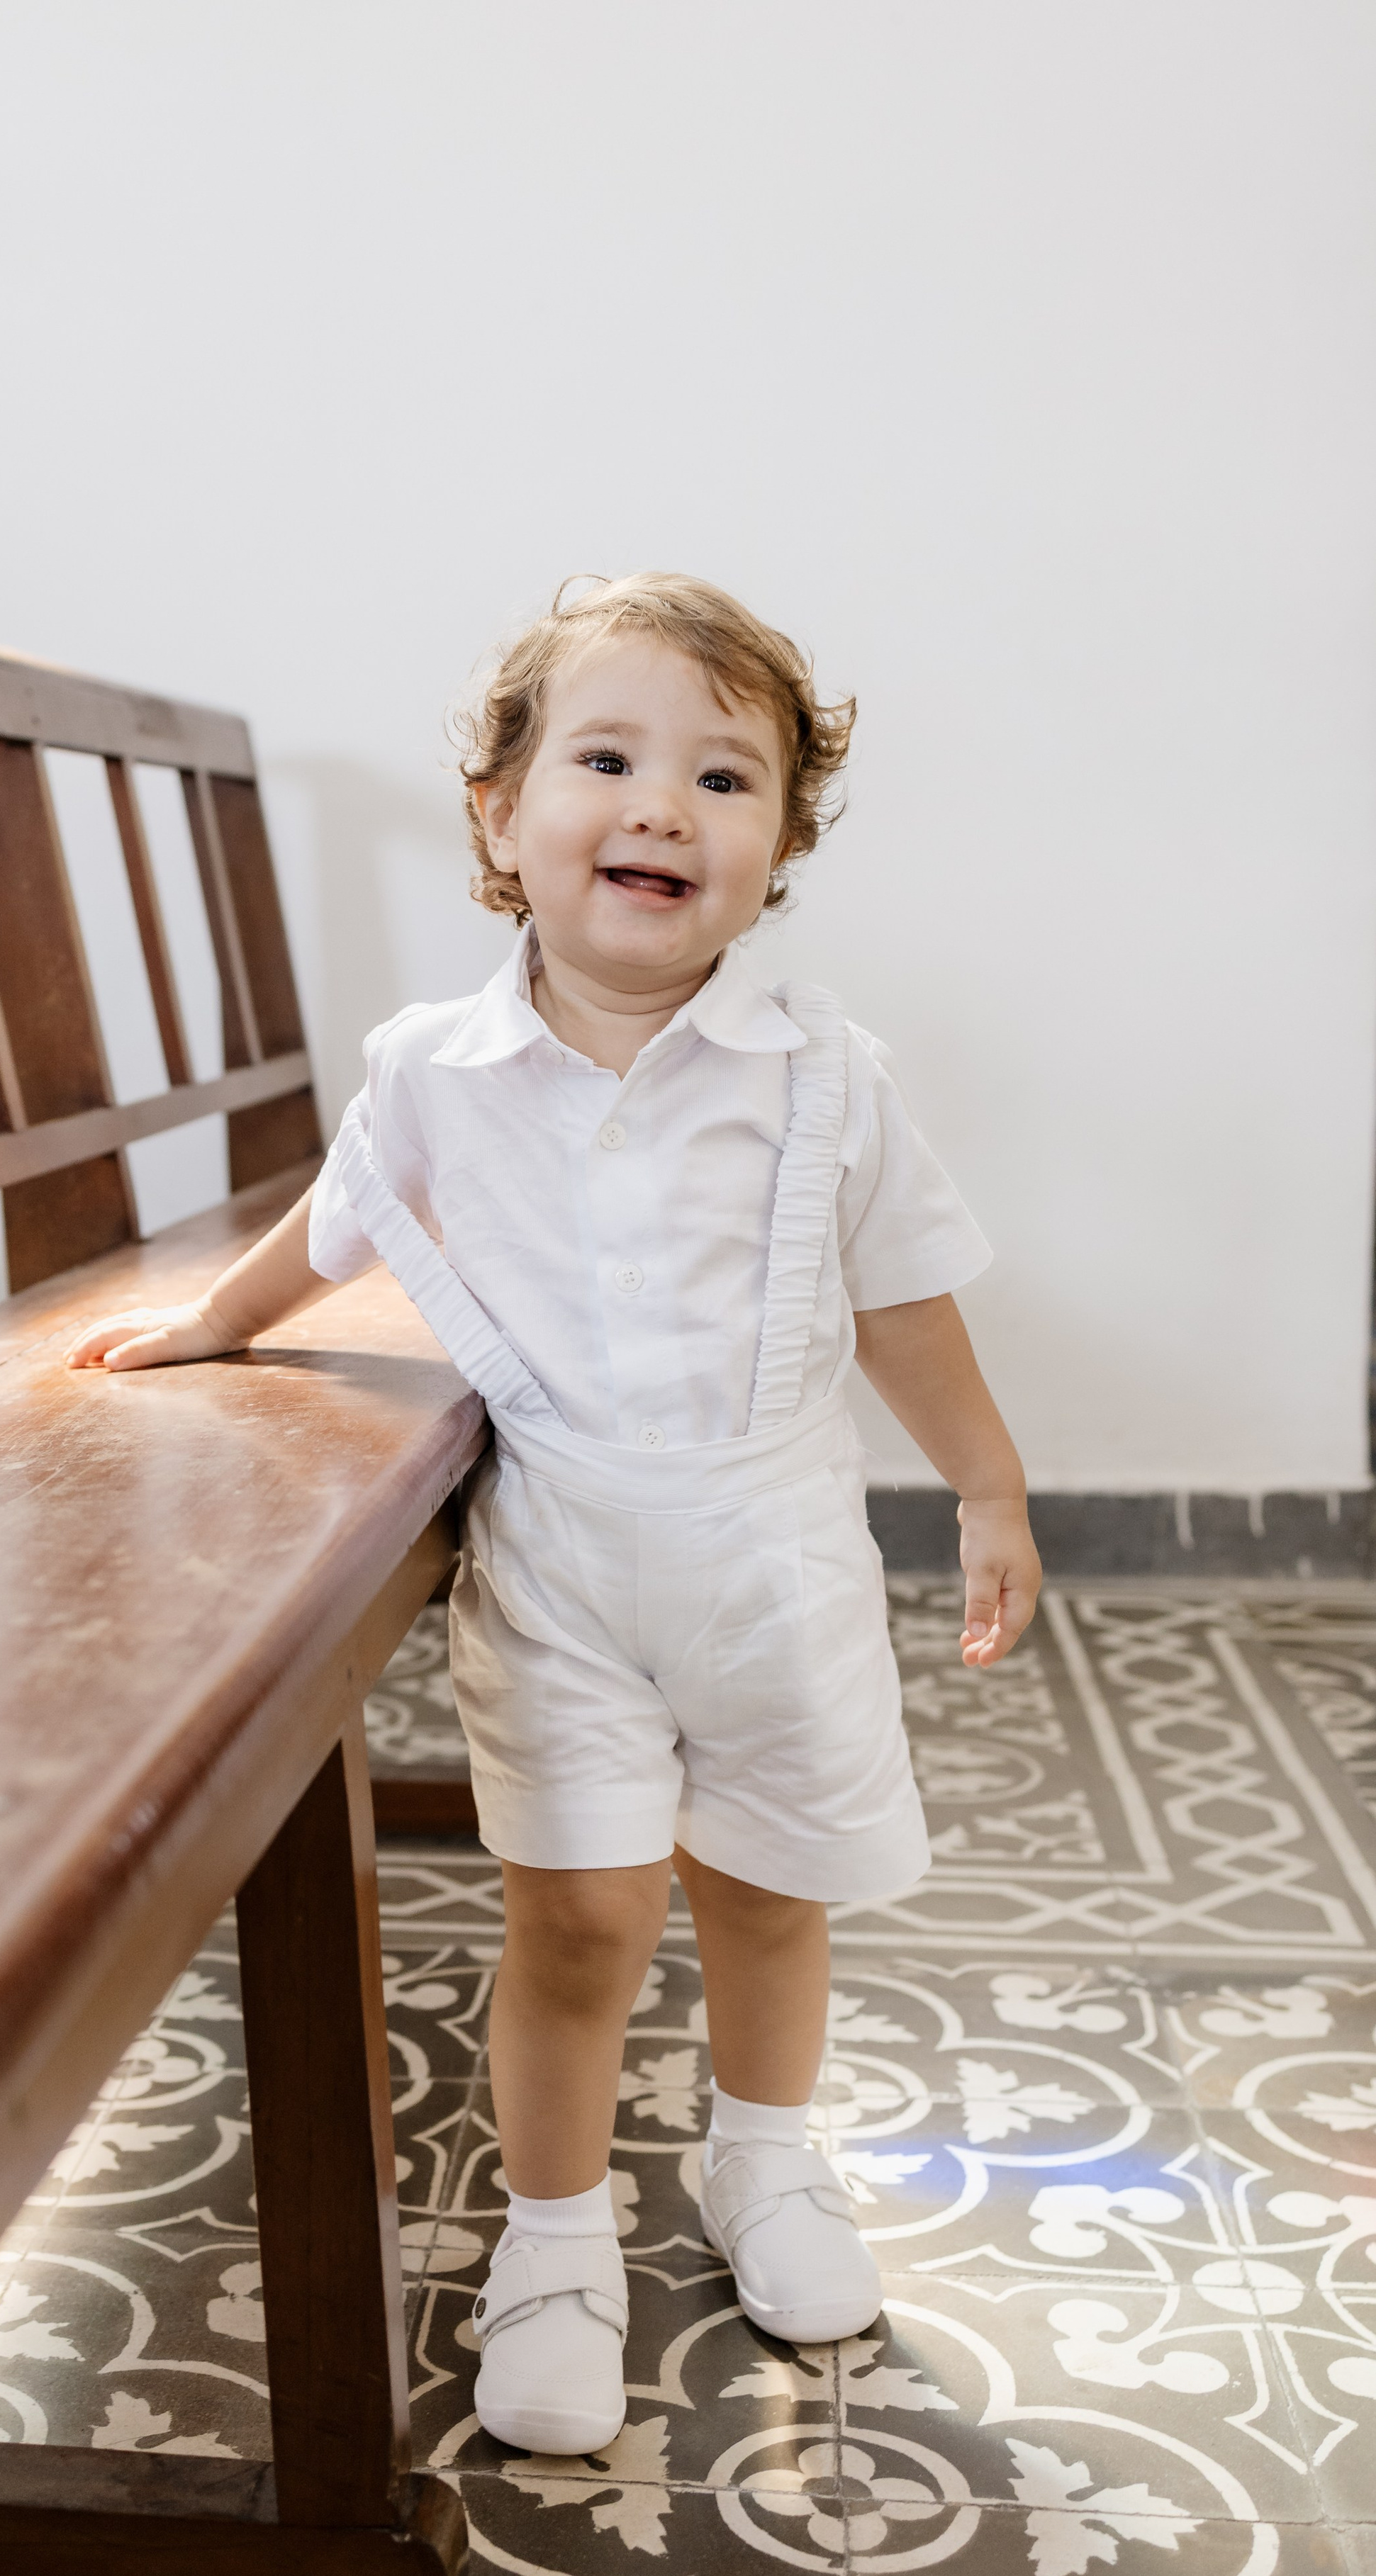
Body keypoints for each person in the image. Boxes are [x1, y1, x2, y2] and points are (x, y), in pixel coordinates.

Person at [65, 573, 1041, 2458]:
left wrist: (986, 1483)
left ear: (779, 850)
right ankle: (555, 2235)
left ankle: (766, 2164)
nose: (665, 805)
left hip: (776, 1565)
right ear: (502, 818)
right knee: (581, 1916)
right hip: (566, 1563)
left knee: (770, 1891)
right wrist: (213, 1325)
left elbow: (908, 1292)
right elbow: (331, 1224)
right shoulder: (431, 1072)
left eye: (726, 776)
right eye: (607, 757)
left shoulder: (825, 1077)